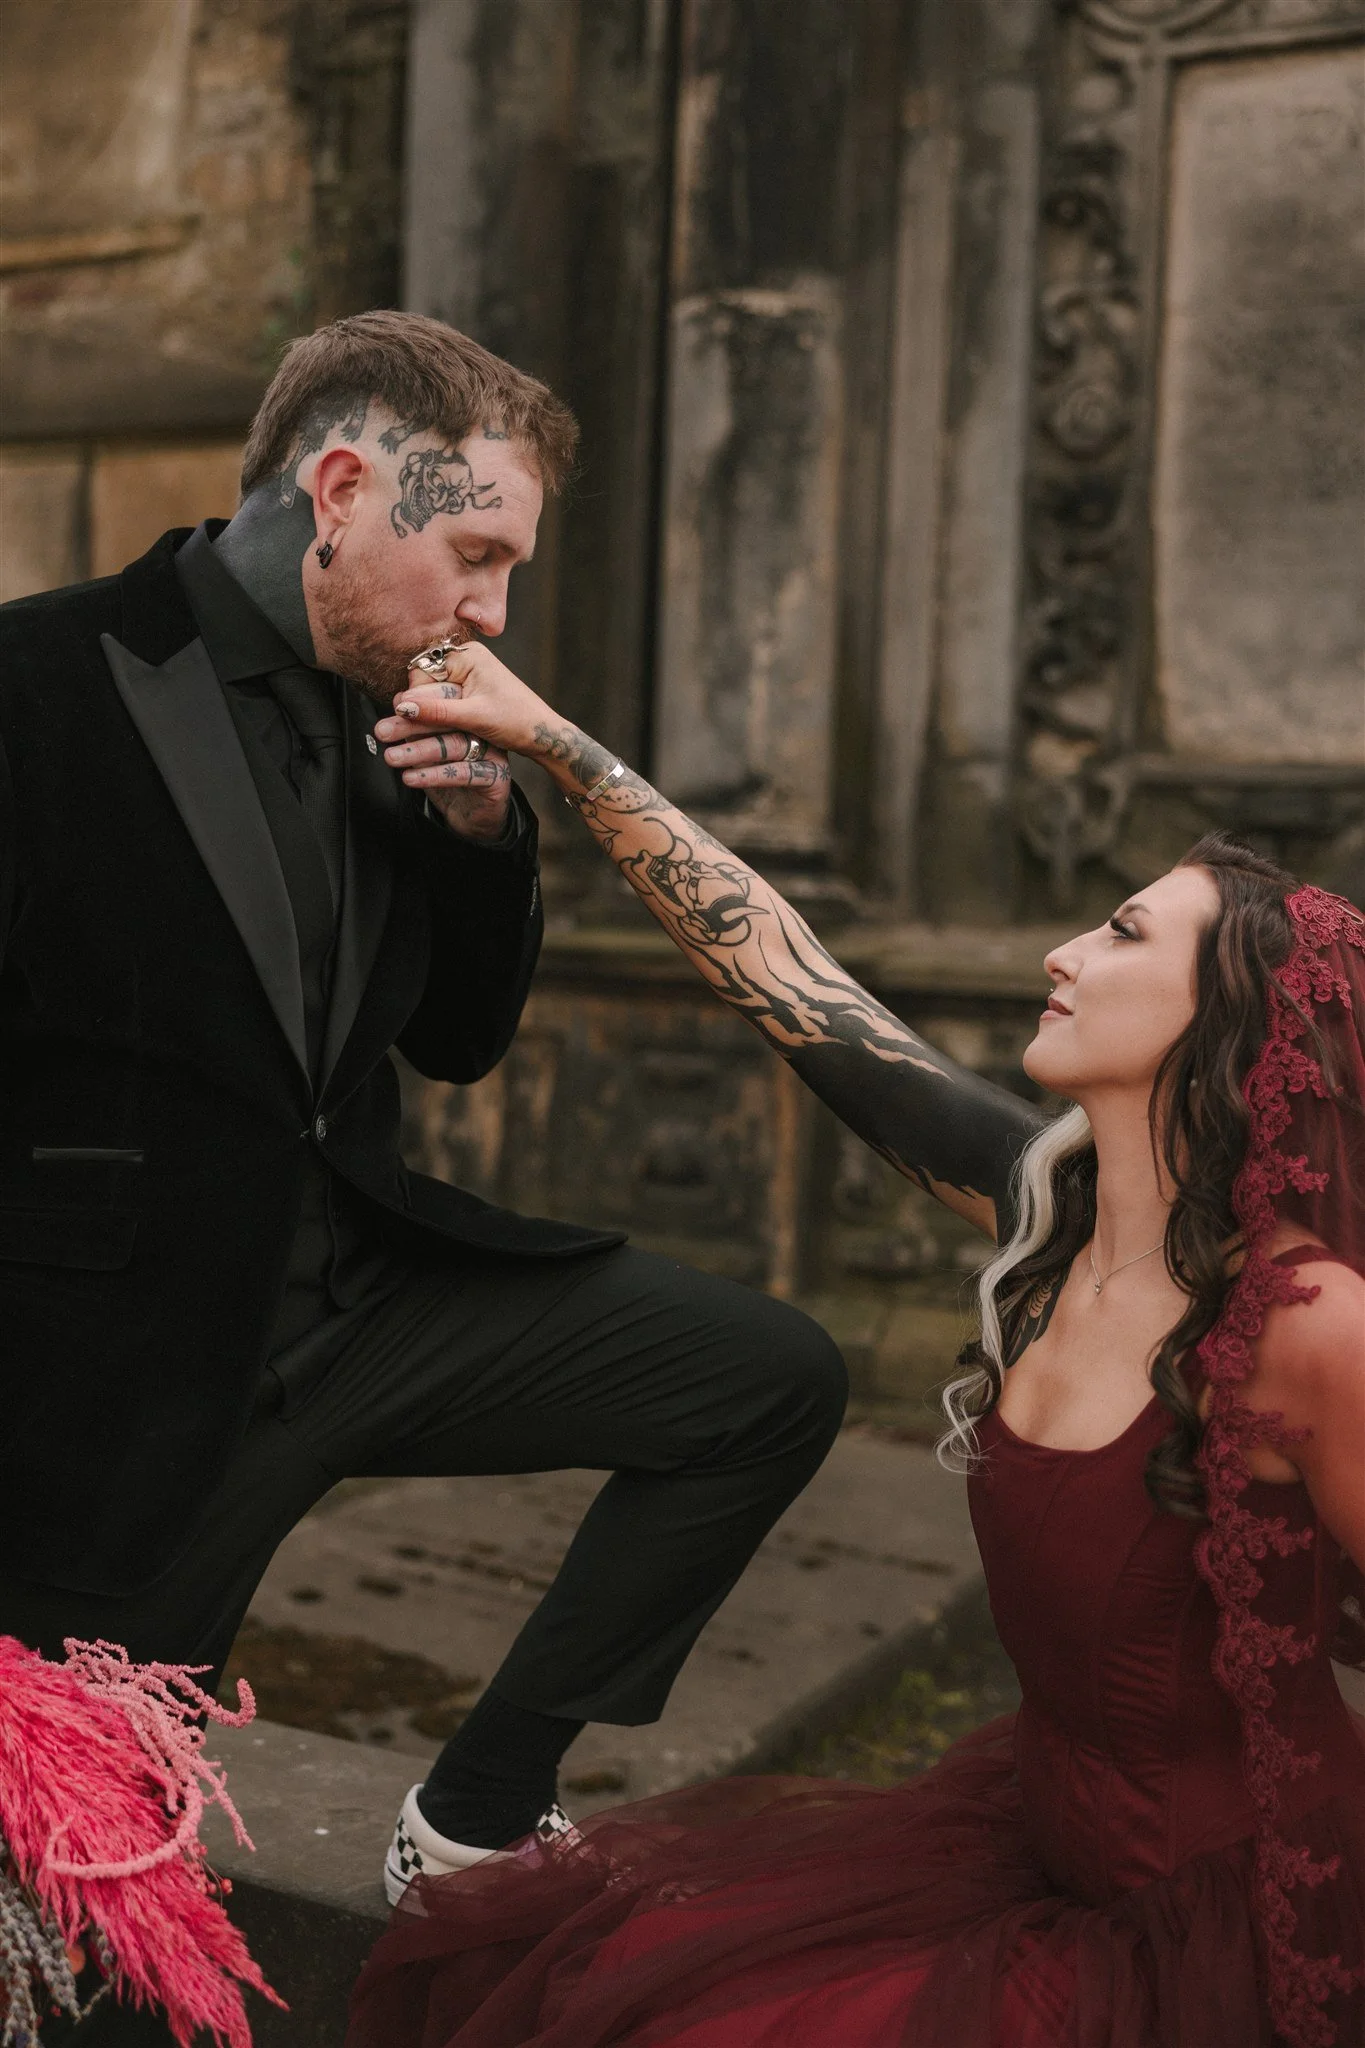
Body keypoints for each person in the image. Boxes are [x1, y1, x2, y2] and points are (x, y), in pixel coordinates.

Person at [0, 311, 850, 2038]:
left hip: (377, 1293)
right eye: (475, 554)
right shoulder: (34, 682)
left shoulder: (420, 724)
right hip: (127, 1367)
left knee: (763, 1380)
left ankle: (465, 1827)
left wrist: (482, 842)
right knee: (72, 1912)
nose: (493, 613)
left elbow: (456, 1046)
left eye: (508, 567)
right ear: (338, 490)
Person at [346, 647, 1365, 2047]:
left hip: (1219, 1939)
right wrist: (559, 747)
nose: (1062, 955)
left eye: (1124, 934)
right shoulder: (1051, 1219)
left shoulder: (1307, 1326)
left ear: (1236, 1032)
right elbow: (785, 971)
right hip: (1030, 1843)